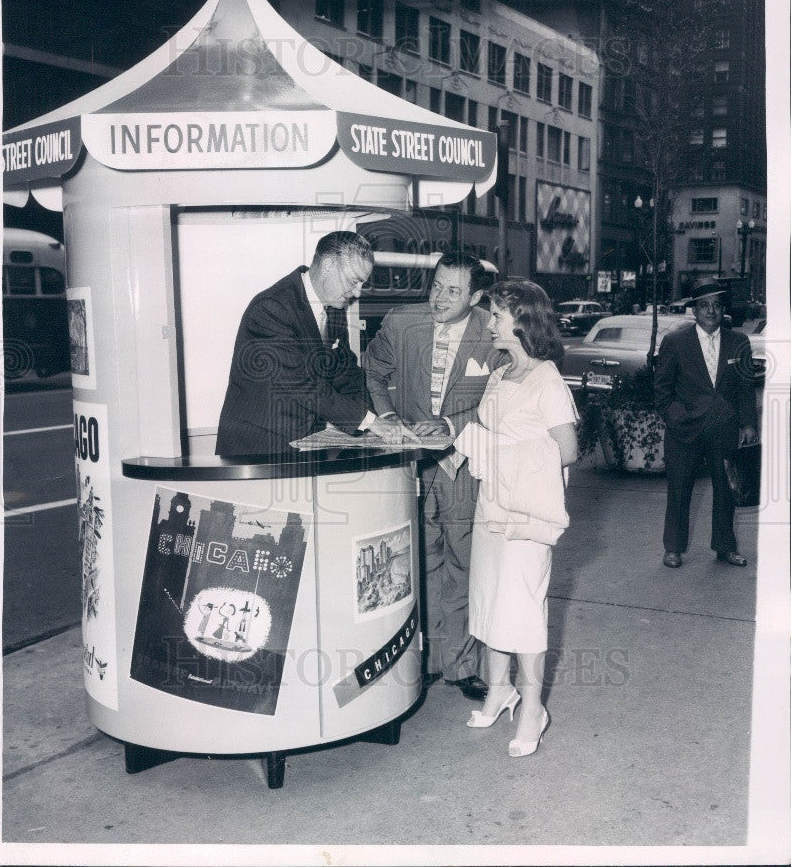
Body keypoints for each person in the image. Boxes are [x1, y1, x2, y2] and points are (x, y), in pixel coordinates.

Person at [363, 252, 502, 701]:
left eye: (453, 291)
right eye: (436, 286)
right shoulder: (403, 323)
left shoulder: (494, 330)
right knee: (416, 562)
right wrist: (387, 418)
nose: (439, 298)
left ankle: (460, 666)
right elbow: (373, 371)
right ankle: (418, 659)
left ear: (476, 296)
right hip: (412, 464)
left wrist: (453, 427)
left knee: (465, 562)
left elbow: (502, 399)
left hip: (464, 462)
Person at [453, 280, 578, 757]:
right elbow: (487, 432)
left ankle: (532, 710)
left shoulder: (547, 380)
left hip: (528, 514)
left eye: (497, 315)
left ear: (522, 320)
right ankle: (497, 688)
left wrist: (505, 455)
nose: (489, 322)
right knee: (490, 599)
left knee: (524, 613)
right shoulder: (500, 374)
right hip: (492, 507)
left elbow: (567, 451)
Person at [216, 231, 416, 456]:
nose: (357, 292)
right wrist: (369, 422)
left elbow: (347, 373)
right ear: (329, 266)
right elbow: (302, 385)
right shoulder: (272, 308)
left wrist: (374, 421)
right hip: (257, 446)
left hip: (305, 443)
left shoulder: (334, 310)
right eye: (354, 281)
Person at [654, 277, 758, 569]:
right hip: (684, 431)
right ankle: (673, 548)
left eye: (716, 305)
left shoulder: (739, 342)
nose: (710, 311)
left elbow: (746, 388)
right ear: (694, 310)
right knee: (679, 489)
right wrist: (676, 418)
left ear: (723, 309)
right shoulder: (675, 342)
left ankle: (725, 547)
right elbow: (662, 391)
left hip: (724, 429)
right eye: (704, 305)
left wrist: (748, 423)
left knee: (726, 489)